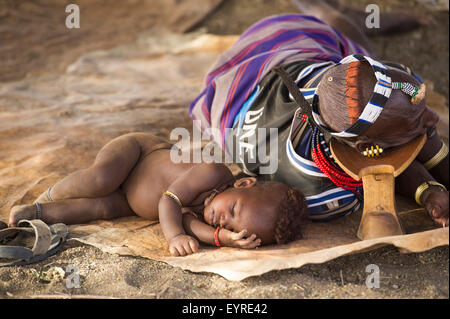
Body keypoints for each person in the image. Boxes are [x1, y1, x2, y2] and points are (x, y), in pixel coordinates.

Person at [188, 0, 448, 226]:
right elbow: (382, 169)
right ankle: (328, 11)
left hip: (275, 64)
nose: (432, 118)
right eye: (418, 117)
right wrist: (427, 190)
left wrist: (427, 165)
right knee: (342, 32)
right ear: (364, 145)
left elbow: (389, 150)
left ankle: (339, 18)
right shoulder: (323, 193)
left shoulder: (376, 83)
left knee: (361, 57)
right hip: (250, 75)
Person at [8, 133, 308, 256]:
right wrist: (173, 236)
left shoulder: (206, 210)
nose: (222, 219)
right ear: (243, 185)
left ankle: (32, 213)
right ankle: (48, 196)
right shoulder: (213, 172)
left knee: (101, 208)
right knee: (99, 180)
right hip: (136, 154)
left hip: (130, 201)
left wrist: (222, 240)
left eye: (229, 226)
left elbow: (191, 224)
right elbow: (169, 200)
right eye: (234, 211)